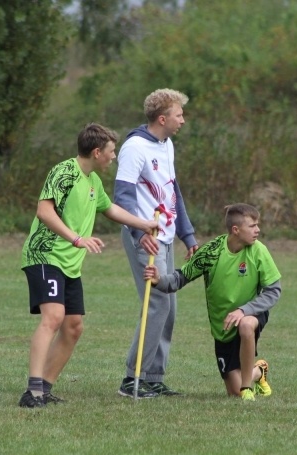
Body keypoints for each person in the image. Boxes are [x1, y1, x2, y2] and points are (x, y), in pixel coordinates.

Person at [19, 123, 159, 408]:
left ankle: (45, 388)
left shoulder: (93, 181)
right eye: (111, 151)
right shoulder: (64, 172)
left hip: (70, 263)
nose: (114, 156)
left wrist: (143, 224)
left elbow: (110, 209)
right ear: (97, 152)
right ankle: (31, 392)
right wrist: (77, 239)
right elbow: (44, 211)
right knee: (54, 318)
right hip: (45, 255)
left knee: (73, 326)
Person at [144, 203, 281, 401]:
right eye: (252, 226)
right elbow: (181, 277)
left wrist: (244, 310)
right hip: (222, 326)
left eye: (257, 225)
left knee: (245, 325)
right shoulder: (212, 252)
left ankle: (247, 389)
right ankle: (258, 371)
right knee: (232, 392)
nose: (258, 230)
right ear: (236, 230)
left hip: (252, 312)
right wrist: (159, 280)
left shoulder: (259, 251)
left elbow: (273, 291)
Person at [114, 88, 198, 398]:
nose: (183, 120)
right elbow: (122, 198)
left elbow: (172, 192)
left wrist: (187, 235)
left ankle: (152, 377)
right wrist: (139, 235)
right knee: (157, 304)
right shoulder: (134, 148)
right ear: (162, 118)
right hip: (145, 239)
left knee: (169, 307)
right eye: (179, 115)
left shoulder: (167, 144)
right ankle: (132, 380)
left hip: (165, 238)